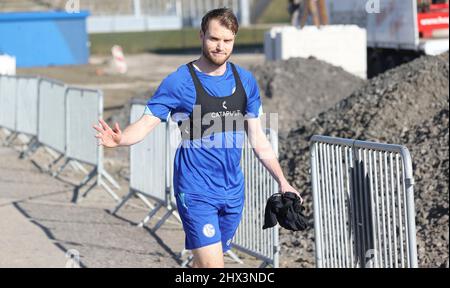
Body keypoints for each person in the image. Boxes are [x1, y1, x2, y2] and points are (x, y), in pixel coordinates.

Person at [93, 8, 302, 268]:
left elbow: (258, 138)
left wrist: (282, 181)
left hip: (233, 192)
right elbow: (147, 123)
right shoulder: (179, 81)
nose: (220, 47)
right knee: (214, 267)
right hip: (195, 190)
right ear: (201, 35)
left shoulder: (246, 81)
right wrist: (121, 138)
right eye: (214, 39)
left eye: (227, 41)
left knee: (203, 264)